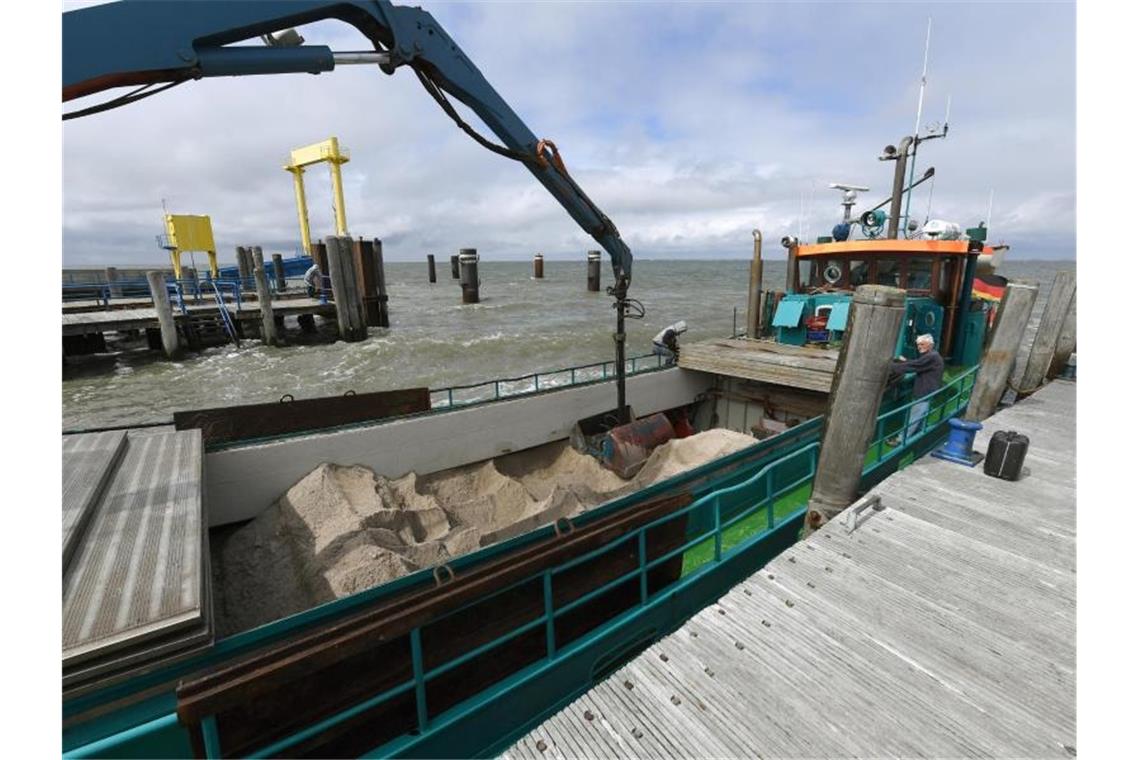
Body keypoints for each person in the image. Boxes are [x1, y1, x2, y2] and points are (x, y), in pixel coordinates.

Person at [887, 333, 943, 444]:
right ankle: (920, 439)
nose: (919, 347)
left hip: (925, 392)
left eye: (922, 344)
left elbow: (915, 366)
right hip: (926, 391)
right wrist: (906, 361)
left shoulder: (932, 357)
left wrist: (891, 366)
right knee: (920, 417)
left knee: (914, 417)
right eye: (918, 344)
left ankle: (900, 440)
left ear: (930, 345)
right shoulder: (931, 356)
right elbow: (917, 363)